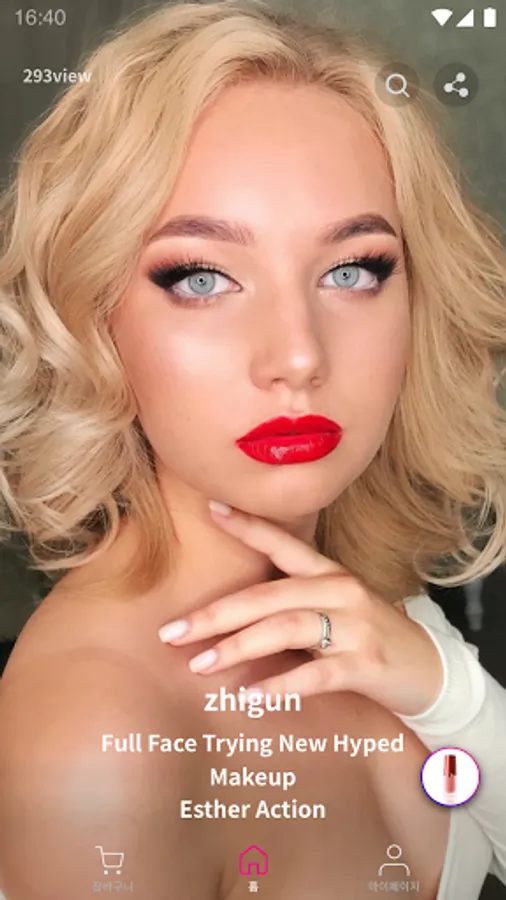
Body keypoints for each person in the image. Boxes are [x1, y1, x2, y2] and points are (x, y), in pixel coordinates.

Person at [0, 2, 505, 898]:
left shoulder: (373, 606)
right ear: (94, 314)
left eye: (353, 269)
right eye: (202, 278)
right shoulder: (99, 737)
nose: (299, 356)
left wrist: (449, 695)